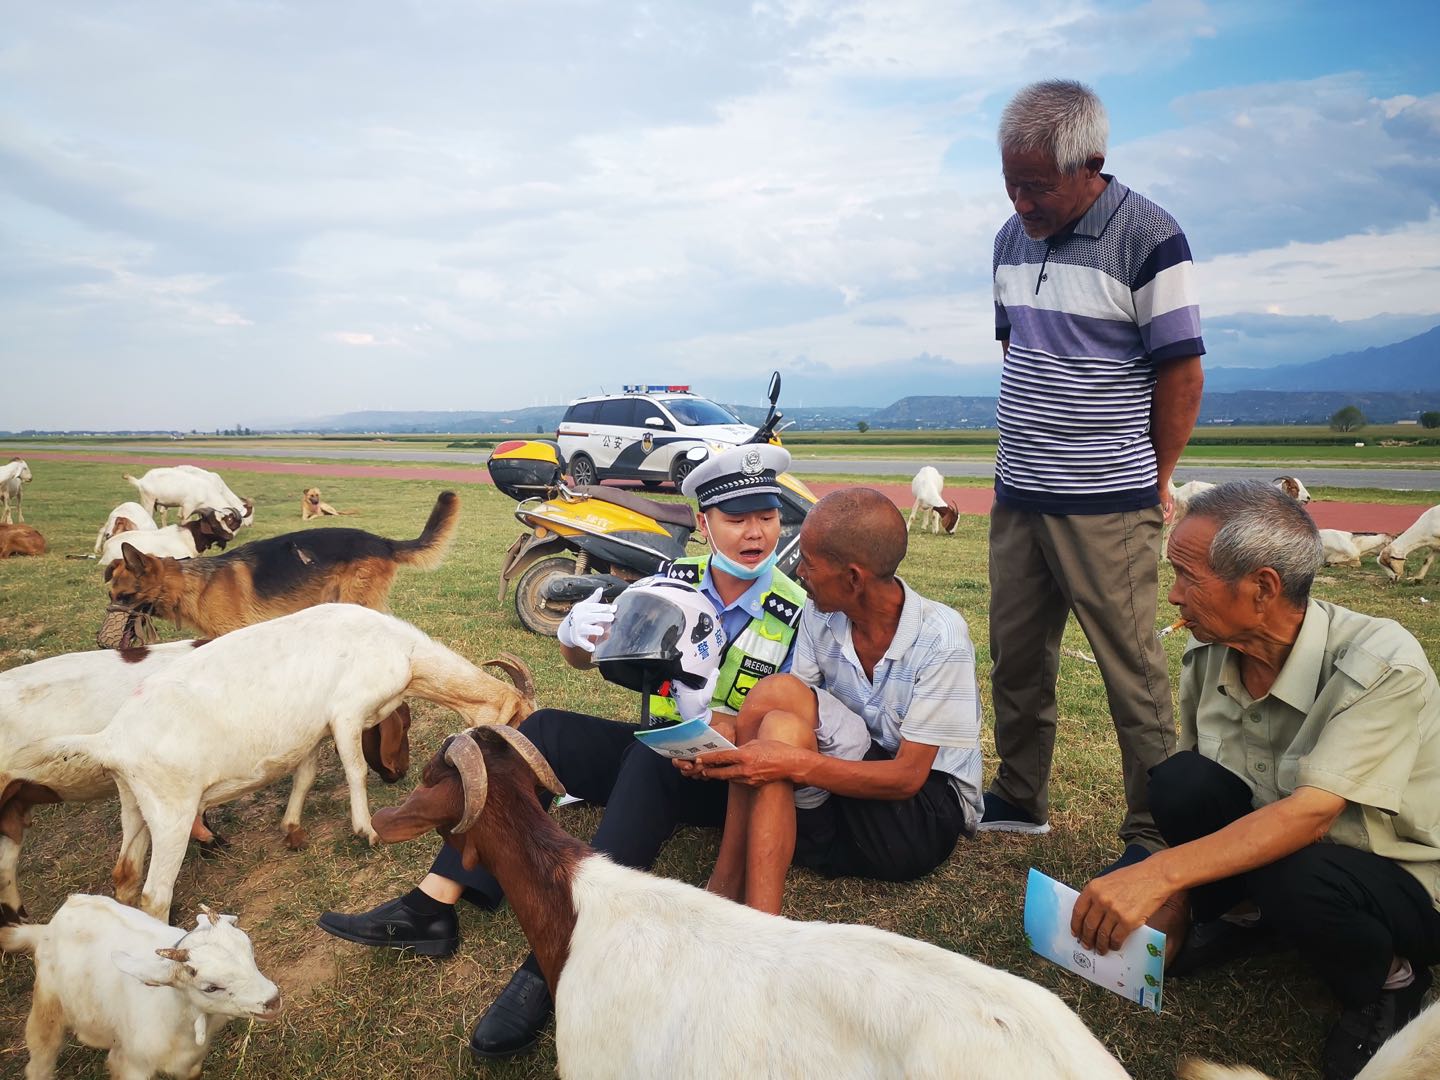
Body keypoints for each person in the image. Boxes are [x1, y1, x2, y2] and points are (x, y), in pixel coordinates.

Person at [317, 442, 828, 1062]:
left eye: (767, 516)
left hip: (728, 779)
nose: (755, 533)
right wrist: (575, 640)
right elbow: (596, 657)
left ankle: (549, 963)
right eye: (736, 518)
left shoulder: (801, 614)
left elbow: (793, 726)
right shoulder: (671, 583)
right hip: (662, 751)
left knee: (644, 759)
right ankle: (435, 904)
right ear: (704, 524)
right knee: (541, 732)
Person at [1071, 481, 1440, 1080]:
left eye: (1188, 577)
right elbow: (1206, 791)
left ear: (1263, 588)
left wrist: (1157, 875)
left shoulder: (1381, 662)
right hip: (1289, 855)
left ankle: (1389, 978)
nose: (1174, 597)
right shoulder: (1211, 654)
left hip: (1401, 879)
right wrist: (1179, 901)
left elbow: (1312, 815)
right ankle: (1247, 914)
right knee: (1177, 782)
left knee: (1300, 867)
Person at [980, 79, 1206, 864]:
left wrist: (1154, 477)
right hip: (1019, 491)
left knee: (1130, 670)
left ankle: (1151, 830)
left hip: (1108, 498)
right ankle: (1019, 793)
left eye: (1036, 185)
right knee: (1016, 652)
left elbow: (1181, 374)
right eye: (1010, 181)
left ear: (1091, 165)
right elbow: (1025, 351)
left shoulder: (1149, 237)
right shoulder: (1010, 240)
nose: (1020, 201)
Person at [682, 487, 983, 914]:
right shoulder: (821, 613)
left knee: (781, 734)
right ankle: (752, 908)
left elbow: (907, 778)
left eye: (808, 561)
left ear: (854, 579)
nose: (798, 570)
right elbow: (786, 712)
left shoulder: (941, 638)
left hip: (913, 820)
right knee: (777, 701)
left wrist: (791, 764)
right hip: (839, 798)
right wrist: (724, 733)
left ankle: (732, 889)